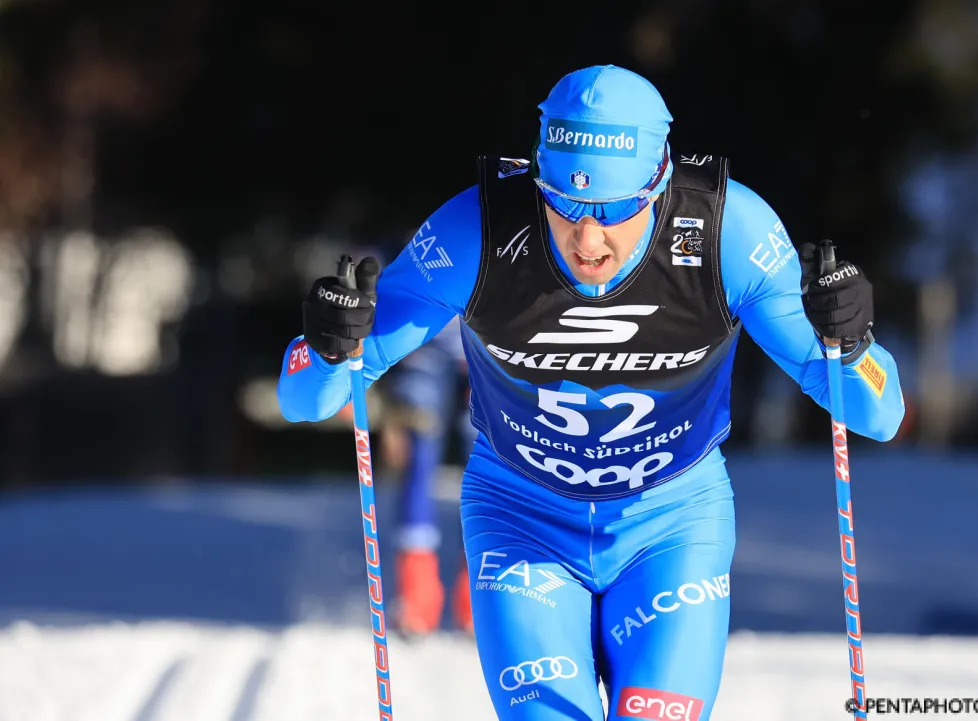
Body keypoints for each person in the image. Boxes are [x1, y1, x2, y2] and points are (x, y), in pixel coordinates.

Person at [278, 65, 905, 720]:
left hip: (671, 524)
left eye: (612, 210)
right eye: (564, 203)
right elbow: (308, 399)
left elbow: (877, 413)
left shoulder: (730, 233)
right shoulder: (478, 233)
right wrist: (325, 345)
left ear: (658, 184)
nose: (587, 238)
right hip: (520, 518)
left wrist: (854, 344)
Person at [379, 316, 477, 634]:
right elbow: (371, 271)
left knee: (487, 459)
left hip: (491, 340)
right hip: (421, 338)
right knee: (417, 446)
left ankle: (481, 593)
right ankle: (416, 593)